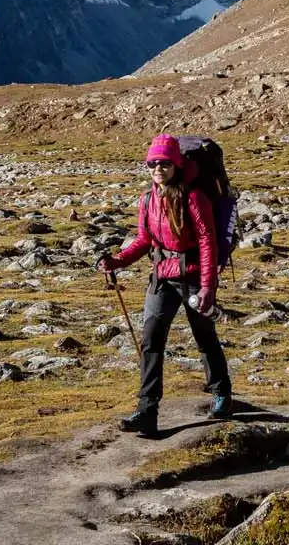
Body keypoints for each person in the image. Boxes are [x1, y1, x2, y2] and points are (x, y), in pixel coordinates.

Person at [99, 134, 231, 435]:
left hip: (195, 275)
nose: (157, 168)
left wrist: (208, 287)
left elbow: (208, 242)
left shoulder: (194, 197)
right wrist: (117, 261)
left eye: (164, 163)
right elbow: (145, 240)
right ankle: (147, 411)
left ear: (177, 164)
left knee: (204, 335)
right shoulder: (147, 199)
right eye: (152, 163)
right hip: (162, 276)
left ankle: (221, 394)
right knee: (151, 341)